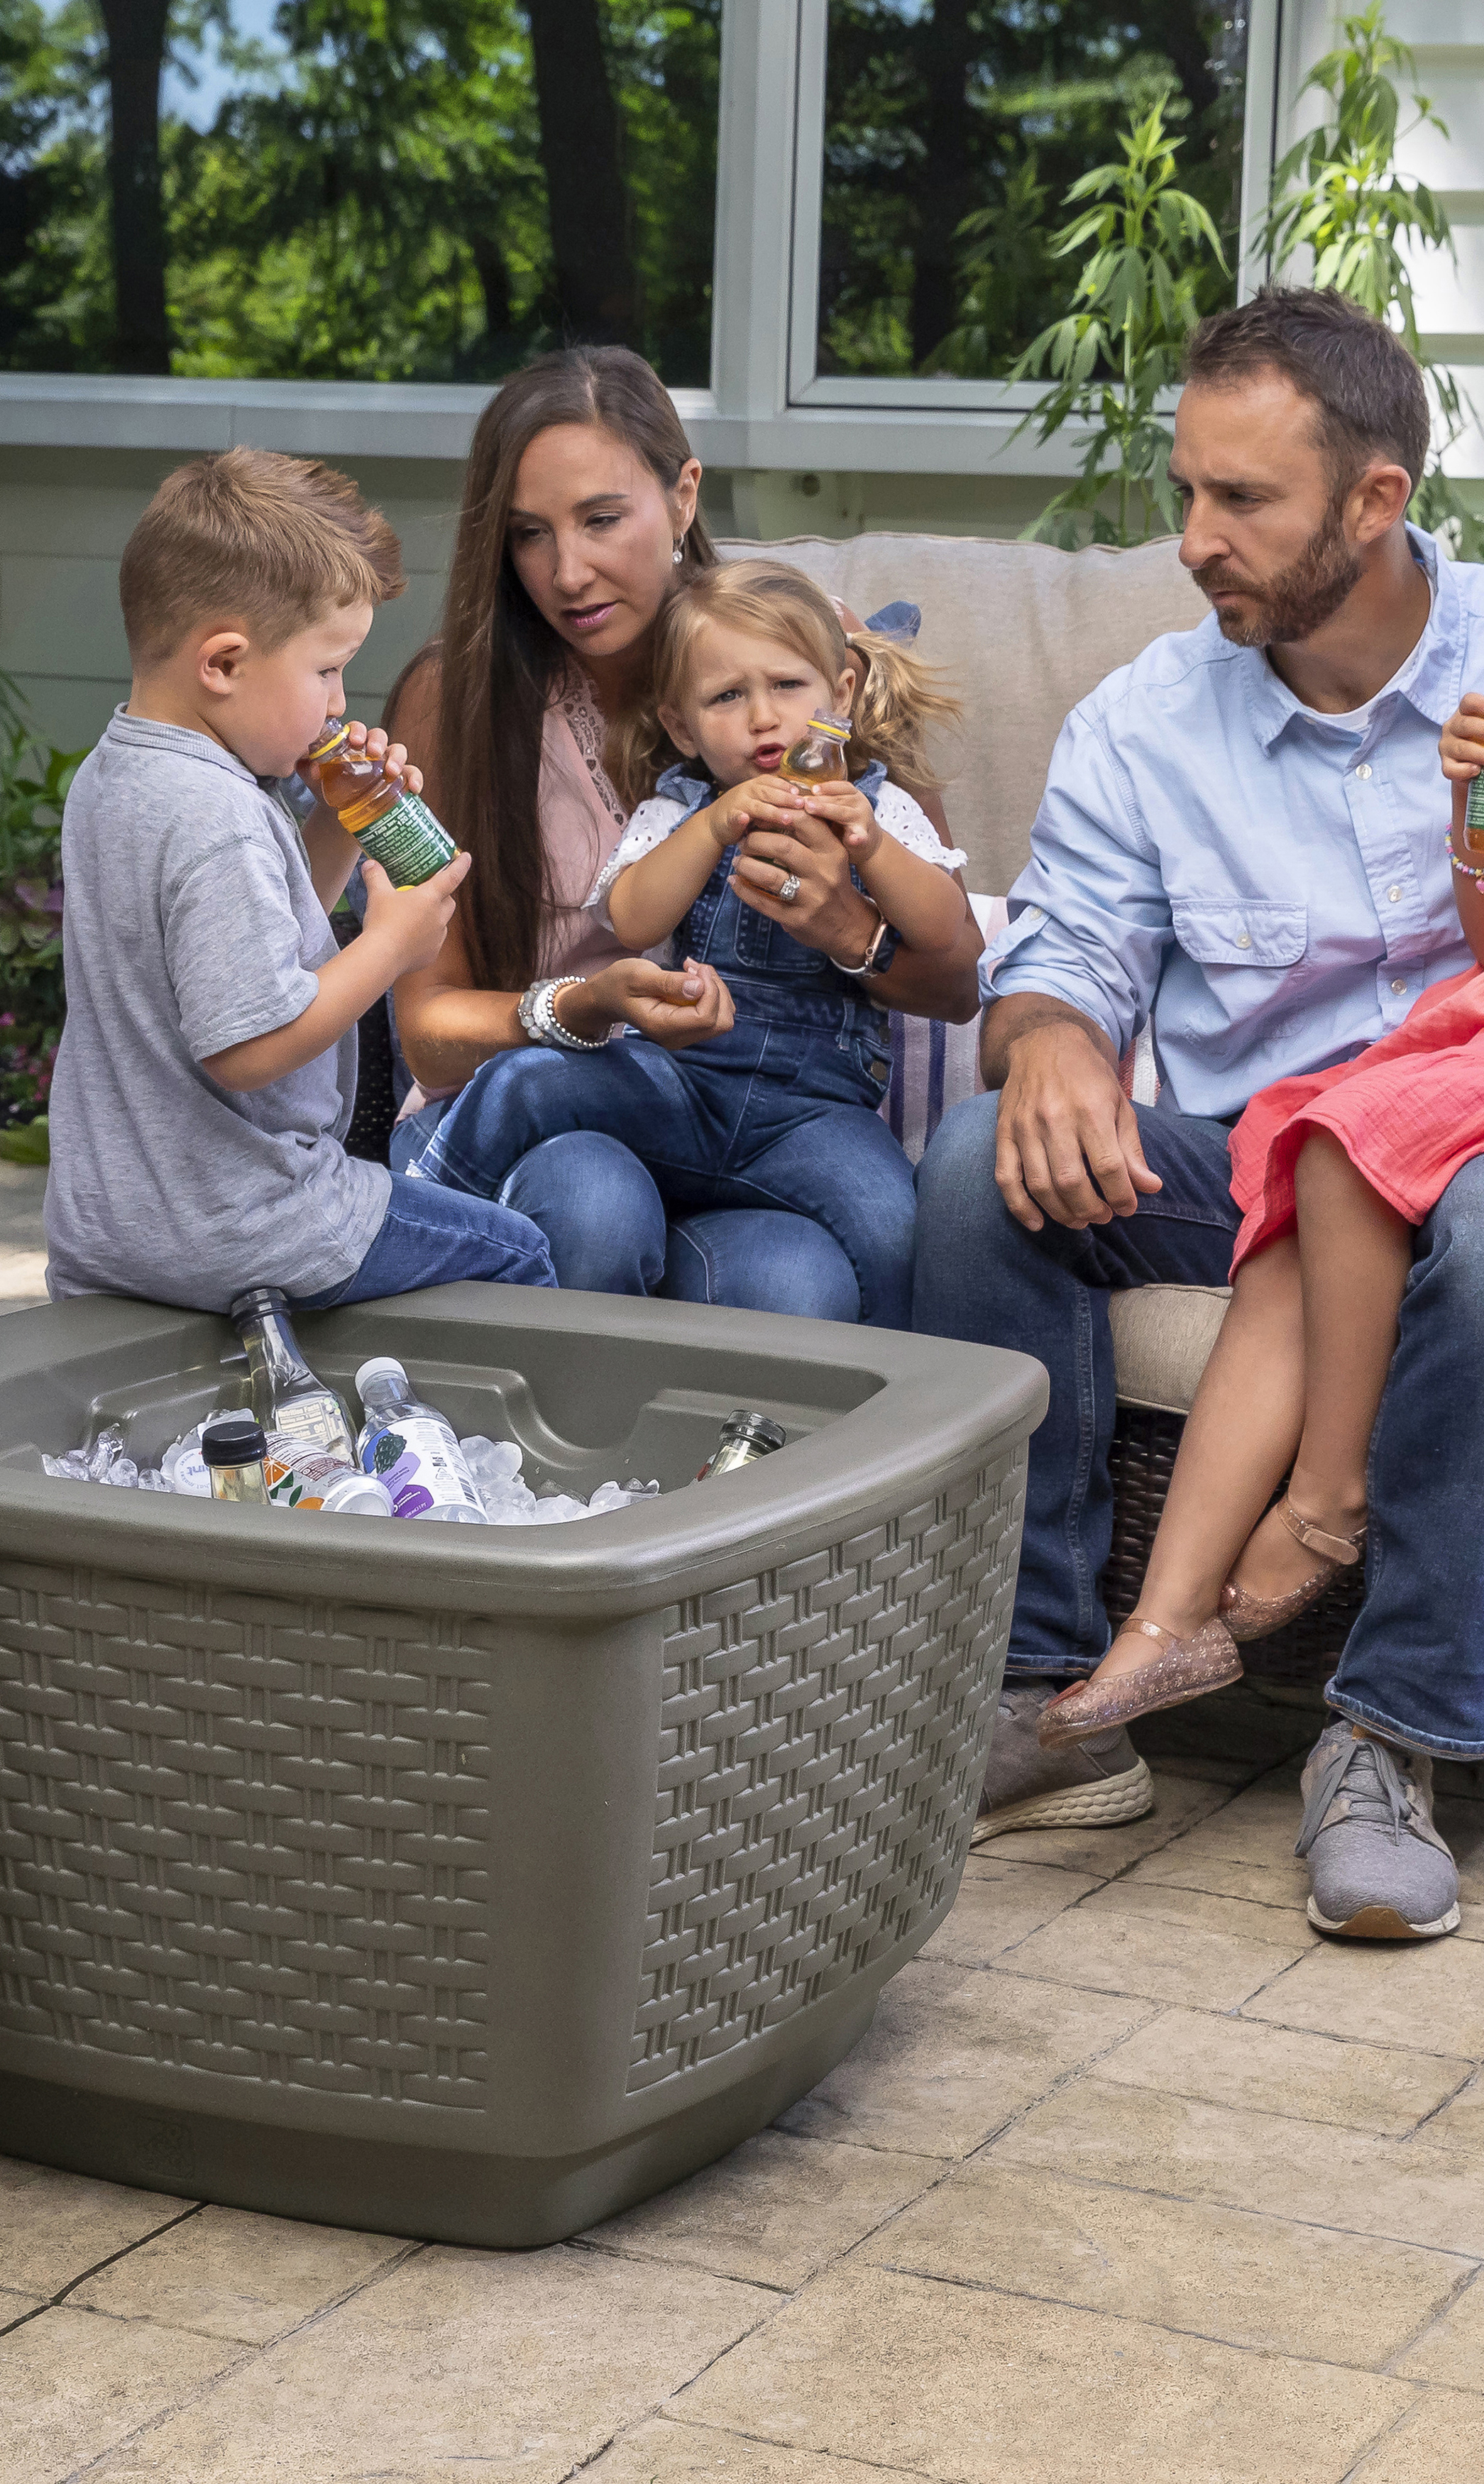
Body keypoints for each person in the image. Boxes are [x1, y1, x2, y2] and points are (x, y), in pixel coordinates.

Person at [912, 287, 1484, 1939]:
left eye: (1244, 501)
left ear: (1376, 501)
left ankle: (1385, 1740)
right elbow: (1063, 956)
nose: (1194, 540)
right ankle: (1041, 1697)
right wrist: (1062, 1045)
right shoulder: (1153, 720)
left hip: (1452, 1160)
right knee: (973, 1167)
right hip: (1244, 1162)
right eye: (1185, 492)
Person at [387, 347, 943, 1309]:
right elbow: (430, 1033)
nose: (568, 572)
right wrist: (584, 1006)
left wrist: (841, 927)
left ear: (683, 496)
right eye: (529, 535)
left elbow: (945, 967)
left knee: (798, 1287)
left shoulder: (803, 655)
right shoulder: (451, 704)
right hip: (539, 1122)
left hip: (763, 1126)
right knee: (595, 1205)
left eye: (603, 519)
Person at [44, 448, 555, 1314]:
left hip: (117, 1222)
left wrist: (337, 820)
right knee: (519, 1255)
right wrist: (391, 947)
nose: (337, 700)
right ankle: (422, 1449)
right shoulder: (220, 816)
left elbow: (245, 961)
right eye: (325, 668)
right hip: (250, 1217)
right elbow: (246, 1048)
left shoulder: (116, 772)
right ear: (223, 663)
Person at [410, 559, 979, 1327]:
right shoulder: (678, 806)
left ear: (839, 697)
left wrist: (868, 846)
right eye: (725, 698)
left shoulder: (881, 808)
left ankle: (886, 1421)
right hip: (682, 1077)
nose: (762, 718)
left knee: (892, 1225)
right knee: (529, 1080)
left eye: (786, 686)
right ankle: (415, 1211)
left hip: (812, 1112)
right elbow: (632, 919)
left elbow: (946, 934)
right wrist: (712, 824)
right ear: (680, 726)